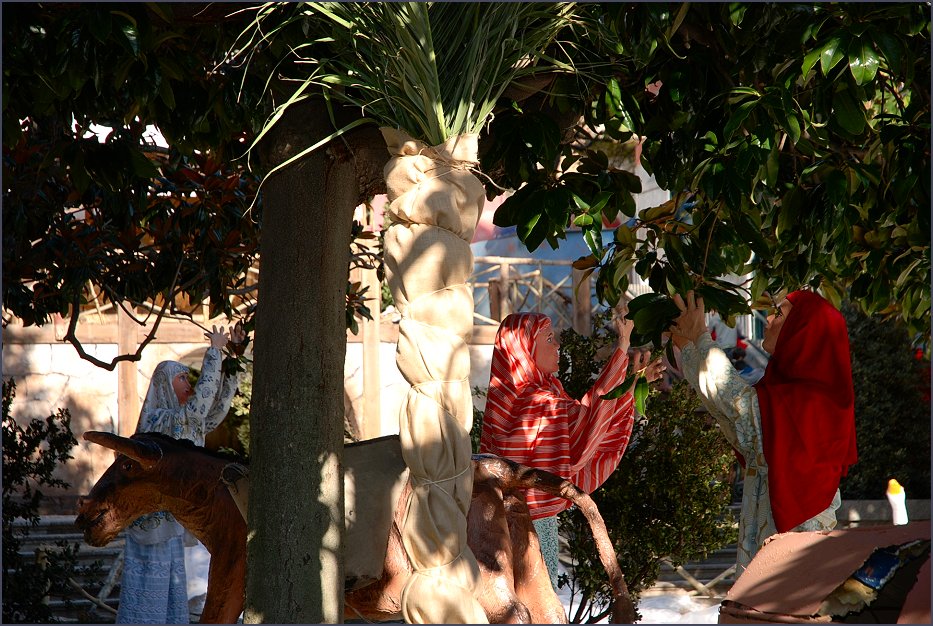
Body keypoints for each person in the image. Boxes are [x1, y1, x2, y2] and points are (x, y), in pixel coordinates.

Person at [669, 290, 857, 574]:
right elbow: (736, 421)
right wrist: (691, 346)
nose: (768, 319)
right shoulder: (785, 390)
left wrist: (700, 336)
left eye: (779, 313)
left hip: (794, 549)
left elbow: (739, 406)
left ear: (803, 330)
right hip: (764, 533)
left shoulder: (817, 400)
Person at [479, 310, 665, 589]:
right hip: (522, 526)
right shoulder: (531, 401)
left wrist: (630, 384)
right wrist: (622, 350)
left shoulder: (526, 393)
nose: (557, 346)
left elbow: (584, 421)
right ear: (525, 348)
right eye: (549, 339)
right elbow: (584, 425)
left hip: (527, 522)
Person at [116, 323, 245, 624]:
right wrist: (214, 352)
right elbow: (199, 409)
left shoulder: (182, 421)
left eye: (187, 377)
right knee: (149, 602)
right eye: (181, 378)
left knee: (174, 602)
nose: (188, 383)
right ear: (164, 384)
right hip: (150, 527)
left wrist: (232, 360)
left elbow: (214, 411)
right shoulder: (161, 419)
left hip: (170, 524)